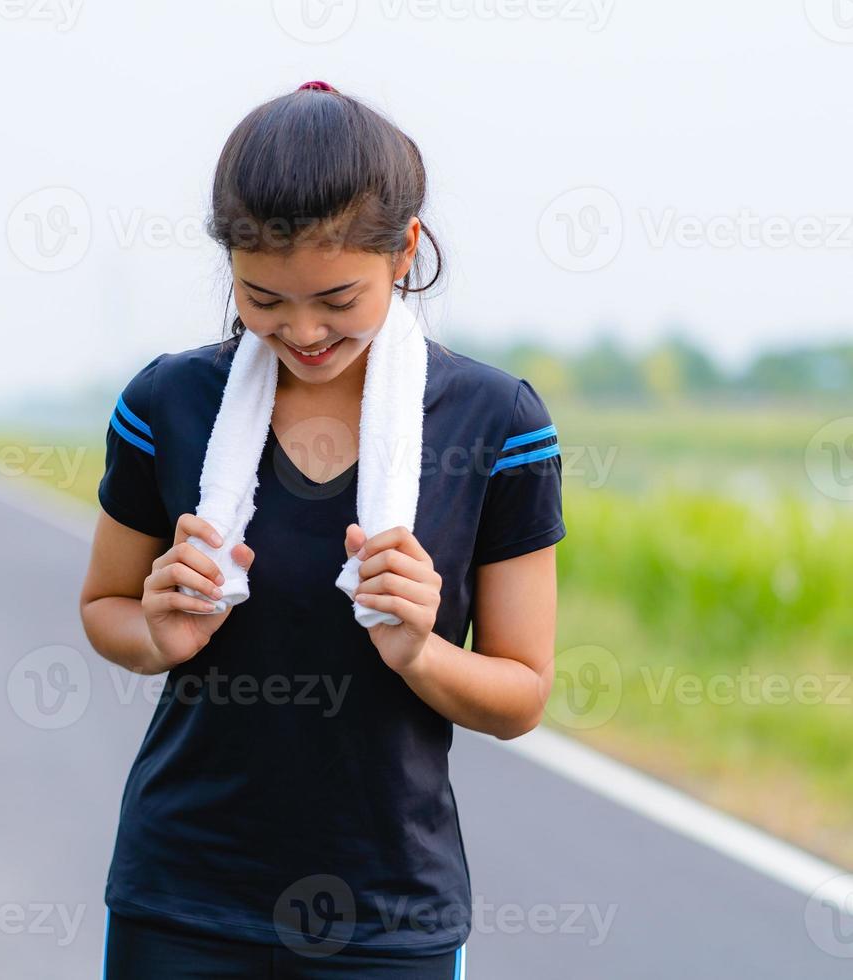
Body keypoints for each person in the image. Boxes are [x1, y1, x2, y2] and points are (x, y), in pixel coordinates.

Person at [78, 81, 565, 978]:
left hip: (389, 916)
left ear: (404, 249)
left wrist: (421, 651)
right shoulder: (167, 403)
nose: (301, 331)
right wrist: (157, 633)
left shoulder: (497, 422)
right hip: (183, 898)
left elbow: (522, 692)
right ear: (227, 262)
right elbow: (105, 606)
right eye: (262, 299)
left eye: (337, 299)